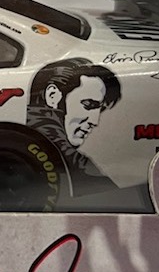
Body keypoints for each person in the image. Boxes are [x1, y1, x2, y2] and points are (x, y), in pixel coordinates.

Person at [26, 57, 122, 198]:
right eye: (88, 105)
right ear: (53, 96)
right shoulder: (74, 164)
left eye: (100, 109)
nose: (94, 121)